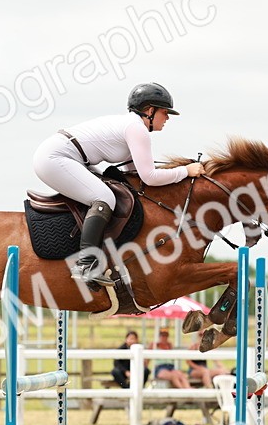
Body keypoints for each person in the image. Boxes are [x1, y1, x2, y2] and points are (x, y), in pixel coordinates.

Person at [33, 82, 206, 285]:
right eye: (165, 112)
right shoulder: (137, 129)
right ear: (149, 111)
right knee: (104, 197)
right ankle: (86, 264)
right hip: (55, 157)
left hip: (67, 156)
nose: (167, 117)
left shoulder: (133, 126)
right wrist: (186, 171)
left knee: (110, 192)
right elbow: (149, 177)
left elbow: (135, 175)